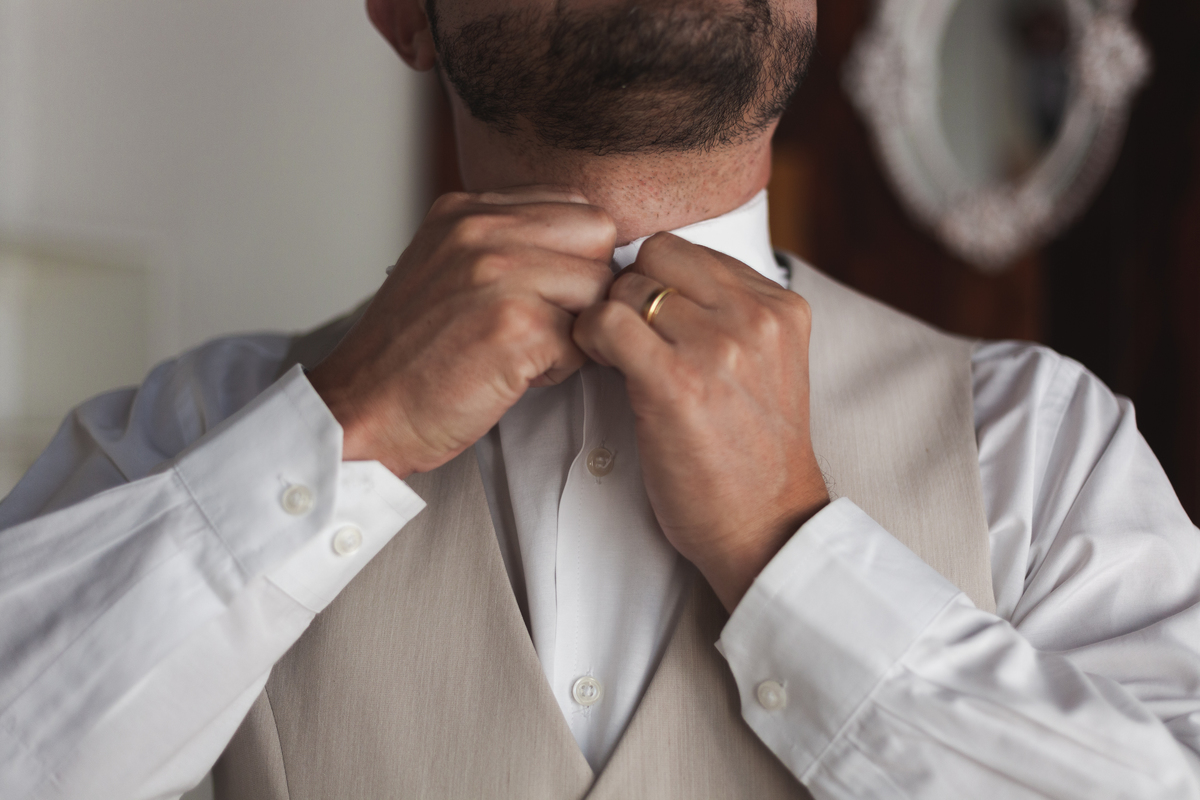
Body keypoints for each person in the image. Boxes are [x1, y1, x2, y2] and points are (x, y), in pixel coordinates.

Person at [1, 0, 1199, 797]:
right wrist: (334, 439)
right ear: (400, 10)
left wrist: (792, 550)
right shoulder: (183, 439)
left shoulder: (1045, 450)